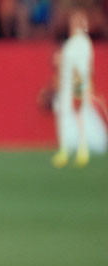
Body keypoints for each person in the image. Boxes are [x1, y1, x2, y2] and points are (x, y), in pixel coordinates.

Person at [51, 10, 101, 168]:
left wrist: (80, 87)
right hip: (68, 85)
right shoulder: (72, 43)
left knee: (78, 116)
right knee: (66, 116)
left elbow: (82, 67)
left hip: (76, 84)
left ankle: (81, 149)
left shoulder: (81, 43)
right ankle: (66, 149)